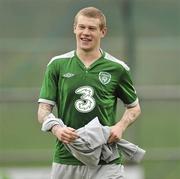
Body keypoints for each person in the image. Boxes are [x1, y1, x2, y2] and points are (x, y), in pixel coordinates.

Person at [38, 6, 141, 179]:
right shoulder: (57, 65)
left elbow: (134, 108)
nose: (85, 32)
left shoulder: (117, 68)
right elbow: (43, 110)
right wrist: (56, 129)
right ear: (74, 28)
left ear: (103, 32)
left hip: (106, 159)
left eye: (92, 28)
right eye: (82, 27)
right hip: (66, 158)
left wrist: (120, 127)